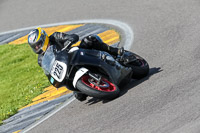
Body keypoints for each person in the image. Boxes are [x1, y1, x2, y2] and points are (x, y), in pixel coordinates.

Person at [28, 27, 124, 101]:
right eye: (35, 47)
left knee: (90, 40)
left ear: (44, 38)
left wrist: (70, 40)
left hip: (74, 56)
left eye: (38, 44)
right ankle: (95, 84)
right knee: (79, 96)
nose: (37, 48)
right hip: (68, 71)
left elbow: (71, 37)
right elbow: (49, 71)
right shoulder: (41, 59)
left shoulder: (55, 37)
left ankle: (115, 51)